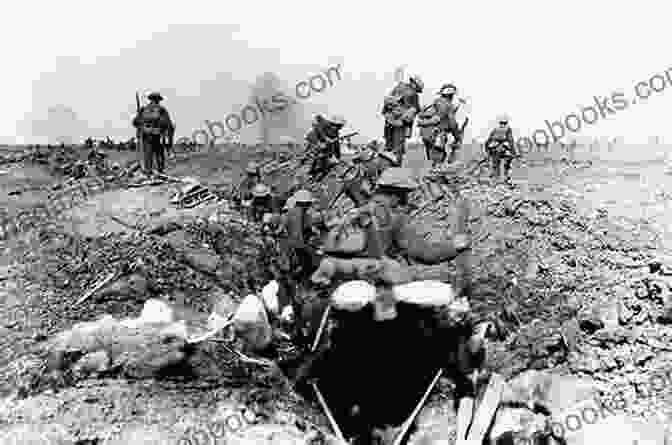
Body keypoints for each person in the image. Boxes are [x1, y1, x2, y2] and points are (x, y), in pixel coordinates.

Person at [132, 92, 174, 177]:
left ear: (150, 99)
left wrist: (141, 124)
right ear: (158, 100)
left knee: (148, 154)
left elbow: (135, 122)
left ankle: (148, 173)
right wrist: (169, 140)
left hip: (146, 135)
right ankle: (160, 172)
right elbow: (168, 124)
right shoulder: (161, 110)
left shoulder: (143, 109)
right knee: (159, 154)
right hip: (157, 135)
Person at [383, 75, 422, 164]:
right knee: (398, 144)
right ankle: (396, 163)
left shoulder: (398, 87)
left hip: (389, 119)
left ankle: (388, 162)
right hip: (401, 121)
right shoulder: (413, 94)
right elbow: (415, 109)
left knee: (389, 143)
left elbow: (387, 102)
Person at [305, 115, 347, 181]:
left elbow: (336, 145)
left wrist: (338, 157)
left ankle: (315, 174)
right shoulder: (323, 124)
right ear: (332, 123)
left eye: (338, 126)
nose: (335, 128)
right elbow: (316, 131)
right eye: (334, 125)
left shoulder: (335, 133)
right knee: (317, 154)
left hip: (323, 146)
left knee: (325, 157)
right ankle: (309, 170)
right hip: (314, 140)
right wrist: (323, 140)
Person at [485, 115, 517, 182]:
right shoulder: (508, 129)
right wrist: (514, 152)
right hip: (503, 149)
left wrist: (487, 150)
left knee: (495, 164)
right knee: (508, 163)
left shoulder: (495, 129)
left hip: (495, 149)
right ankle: (507, 177)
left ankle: (495, 179)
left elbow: (488, 140)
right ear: (506, 123)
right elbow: (510, 141)